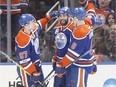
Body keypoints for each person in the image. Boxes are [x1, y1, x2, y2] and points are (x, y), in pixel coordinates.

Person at [59, 1, 97, 87]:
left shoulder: (79, 31)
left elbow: (73, 54)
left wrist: (61, 64)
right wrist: (88, 3)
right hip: (88, 60)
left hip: (81, 65)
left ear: (76, 18)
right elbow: (91, 12)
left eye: (72, 18)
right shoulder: (88, 22)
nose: (71, 20)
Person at [15, 12, 57, 87]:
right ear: (26, 25)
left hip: (37, 65)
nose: (35, 23)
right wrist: (33, 72)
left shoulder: (33, 29)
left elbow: (40, 23)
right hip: (26, 69)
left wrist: (48, 18)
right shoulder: (22, 39)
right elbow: (24, 61)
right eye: (32, 22)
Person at [52, 7, 74, 87]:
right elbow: (57, 45)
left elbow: (74, 49)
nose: (62, 18)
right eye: (60, 16)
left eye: (64, 16)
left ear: (69, 16)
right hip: (59, 63)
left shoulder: (74, 28)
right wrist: (55, 58)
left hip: (70, 64)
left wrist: (64, 62)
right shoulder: (56, 28)